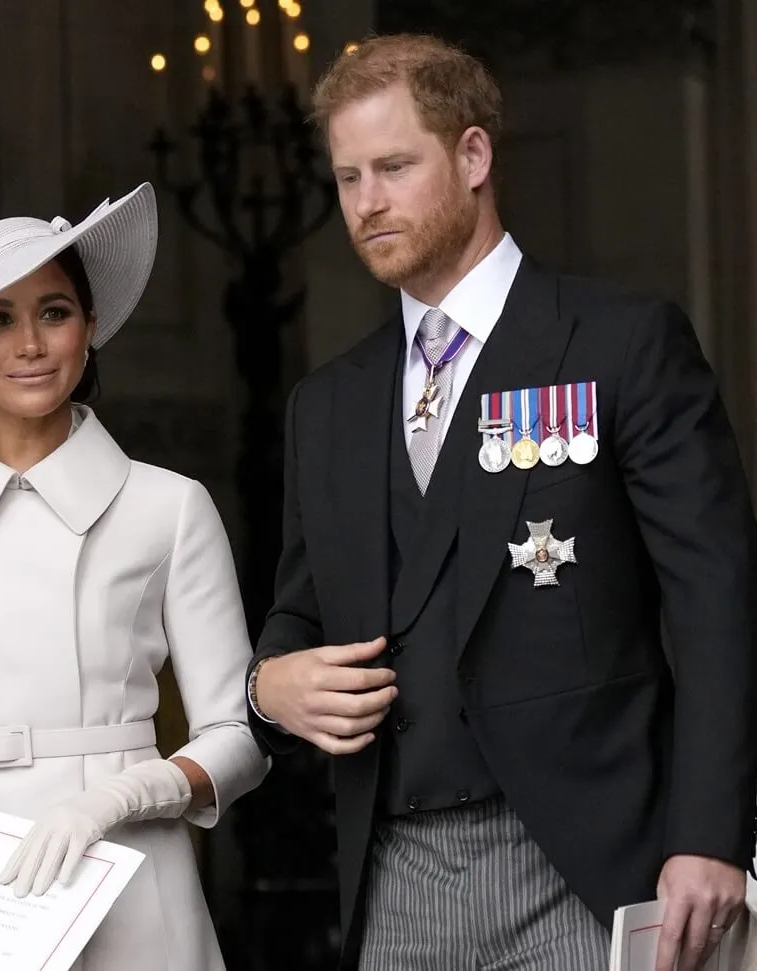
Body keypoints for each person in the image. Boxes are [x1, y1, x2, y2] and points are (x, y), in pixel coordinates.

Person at [246, 33, 757, 971]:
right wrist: (264, 688)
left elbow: (717, 598)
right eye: (349, 176)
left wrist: (714, 833)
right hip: (393, 872)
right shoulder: (326, 404)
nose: (368, 202)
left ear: (474, 156)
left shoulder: (621, 343)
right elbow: (298, 616)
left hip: (589, 862)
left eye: (396, 166)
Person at [0, 182, 268, 970]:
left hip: (128, 868)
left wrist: (125, 795)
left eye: (54, 312)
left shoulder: (169, 506)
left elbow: (238, 735)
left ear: (90, 328)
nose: (29, 342)